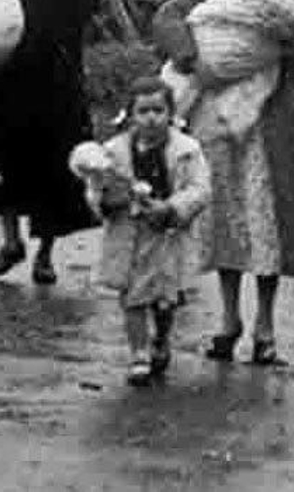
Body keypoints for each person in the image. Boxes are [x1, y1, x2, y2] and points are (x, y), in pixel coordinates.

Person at [152, 0, 294, 366]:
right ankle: (229, 319)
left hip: (272, 116)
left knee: (266, 218)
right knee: (227, 214)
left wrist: (277, 41)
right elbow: (168, 15)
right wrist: (193, 58)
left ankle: (266, 324)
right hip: (218, 114)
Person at [0, 0, 106, 285]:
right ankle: (11, 241)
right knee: (3, 158)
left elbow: (72, 19)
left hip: (58, 79)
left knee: (55, 167)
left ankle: (45, 254)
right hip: (11, 74)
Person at [89, 77, 211, 386]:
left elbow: (200, 189)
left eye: (158, 109)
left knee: (165, 300)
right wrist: (106, 200)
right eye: (143, 111)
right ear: (130, 114)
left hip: (168, 236)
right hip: (130, 236)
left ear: (171, 112)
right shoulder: (113, 152)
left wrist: (172, 208)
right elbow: (96, 189)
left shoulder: (188, 150)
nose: (151, 117)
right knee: (132, 298)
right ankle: (138, 354)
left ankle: (162, 337)